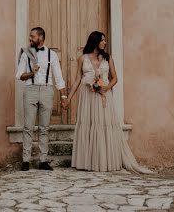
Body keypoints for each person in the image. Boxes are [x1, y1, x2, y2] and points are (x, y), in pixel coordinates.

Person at [63, 31, 152, 173]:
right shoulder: (82, 59)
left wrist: (106, 88)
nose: (105, 43)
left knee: (103, 125)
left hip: (104, 96)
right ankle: (88, 162)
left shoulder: (108, 58)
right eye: (103, 40)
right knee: (90, 125)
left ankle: (104, 161)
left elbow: (115, 78)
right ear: (95, 41)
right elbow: (77, 80)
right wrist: (68, 98)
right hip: (88, 97)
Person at [16, 26, 66, 171]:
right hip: (30, 89)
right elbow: (19, 75)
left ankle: (43, 161)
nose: (30, 38)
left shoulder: (52, 55)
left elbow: (59, 77)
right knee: (28, 127)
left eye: (32, 36)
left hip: (46, 90)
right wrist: (32, 73)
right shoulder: (26, 54)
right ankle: (25, 161)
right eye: (30, 36)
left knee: (44, 128)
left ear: (41, 37)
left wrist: (63, 96)